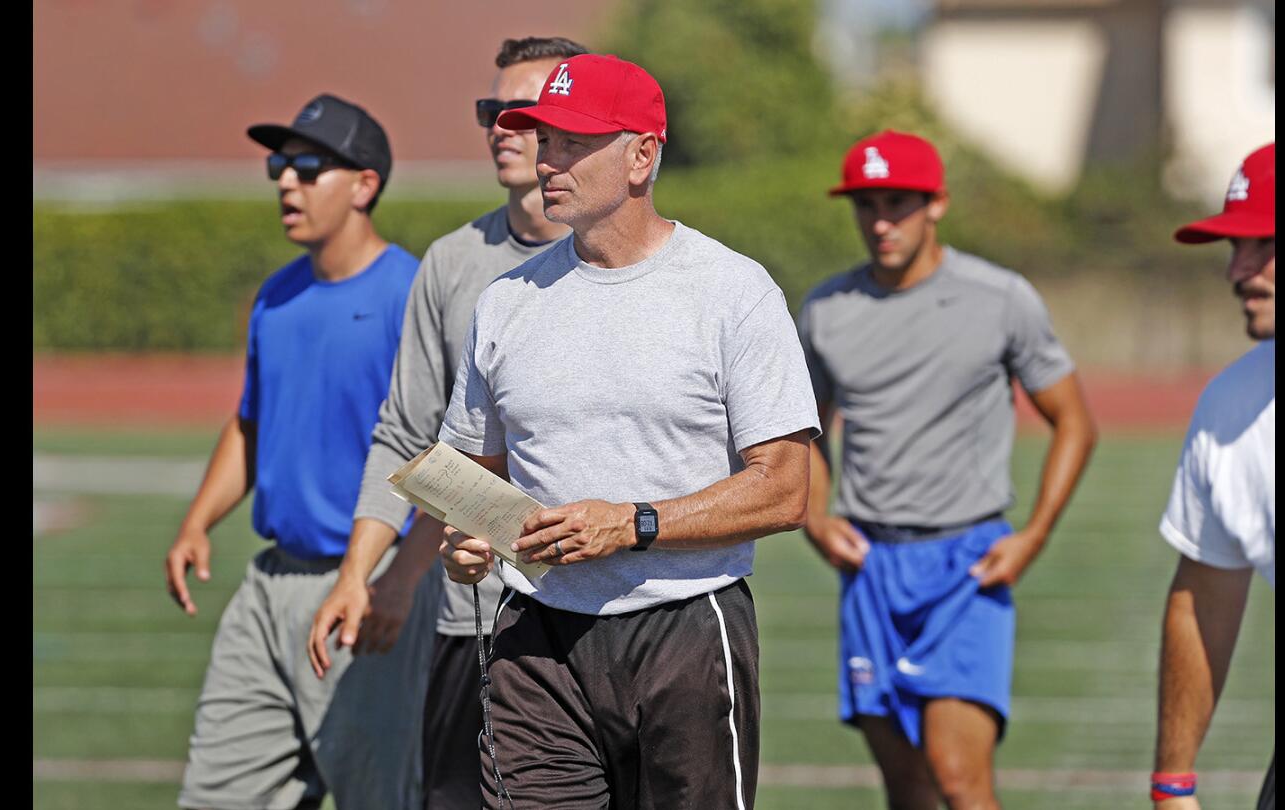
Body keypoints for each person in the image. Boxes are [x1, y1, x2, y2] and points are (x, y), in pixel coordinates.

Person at [436, 53, 819, 809]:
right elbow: (470, 478)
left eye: (574, 142)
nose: (549, 160)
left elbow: (786, 489)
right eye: (544, 140)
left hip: (686, 628)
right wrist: (467, 538)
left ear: (643, 154)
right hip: (532, 637)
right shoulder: (507, 301)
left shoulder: (733, 291)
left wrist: (632, 524)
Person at [305, 35, 590, 810]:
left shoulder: (627, 261)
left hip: (605, 610)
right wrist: (365, 575)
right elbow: (408, 435)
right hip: (475, 617)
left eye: (519, 111)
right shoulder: (451, 261)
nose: (499, 124)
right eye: (489, 110)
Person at [798, 130, 1098, 810]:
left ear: (937, 204)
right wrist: (816, 518)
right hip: (870, 567)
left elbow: (1075, 421)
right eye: (865, 204)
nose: (879, 222)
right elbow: (806, 433)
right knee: (907, 793)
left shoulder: (1000, 297)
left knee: (960, 780)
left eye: (897, 203)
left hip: (966, 565)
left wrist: (1034, 536)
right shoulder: (824, 310)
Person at [164, 93, 437, 810]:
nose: (286, 180)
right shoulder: (277, 295)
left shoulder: (410, 297)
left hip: (365, 588)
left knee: (381, 798)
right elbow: (250, 423)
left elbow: (444, 458)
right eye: (279, 164)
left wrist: (401, 579)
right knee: (216, 796)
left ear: (365, 185)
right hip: (268, 584)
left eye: (308, 165)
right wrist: (197, 523)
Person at [1151, 143, 1275, 810]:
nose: (1239, 270)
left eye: (1266, 245)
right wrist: (1173, 783)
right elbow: (1204, 589)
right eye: (1236, 247)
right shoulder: (1230, 407)